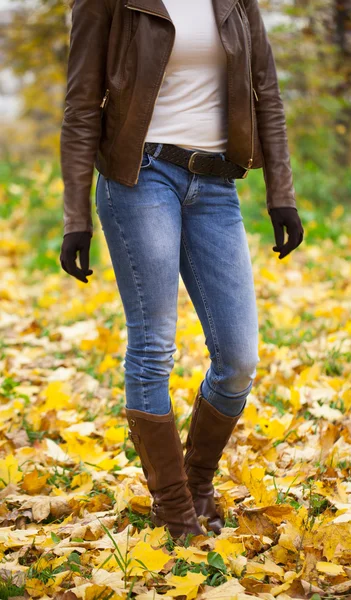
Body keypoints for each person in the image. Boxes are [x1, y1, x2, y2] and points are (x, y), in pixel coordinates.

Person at [59, 0, 304, 542]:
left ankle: (195, 484)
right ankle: (175, 510)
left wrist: (280, 194)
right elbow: (80, 104)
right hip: (139, 177)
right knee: (153, 345)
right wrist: (76, 215)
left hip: (216, 184)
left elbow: (268, 92)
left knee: (239, 359)